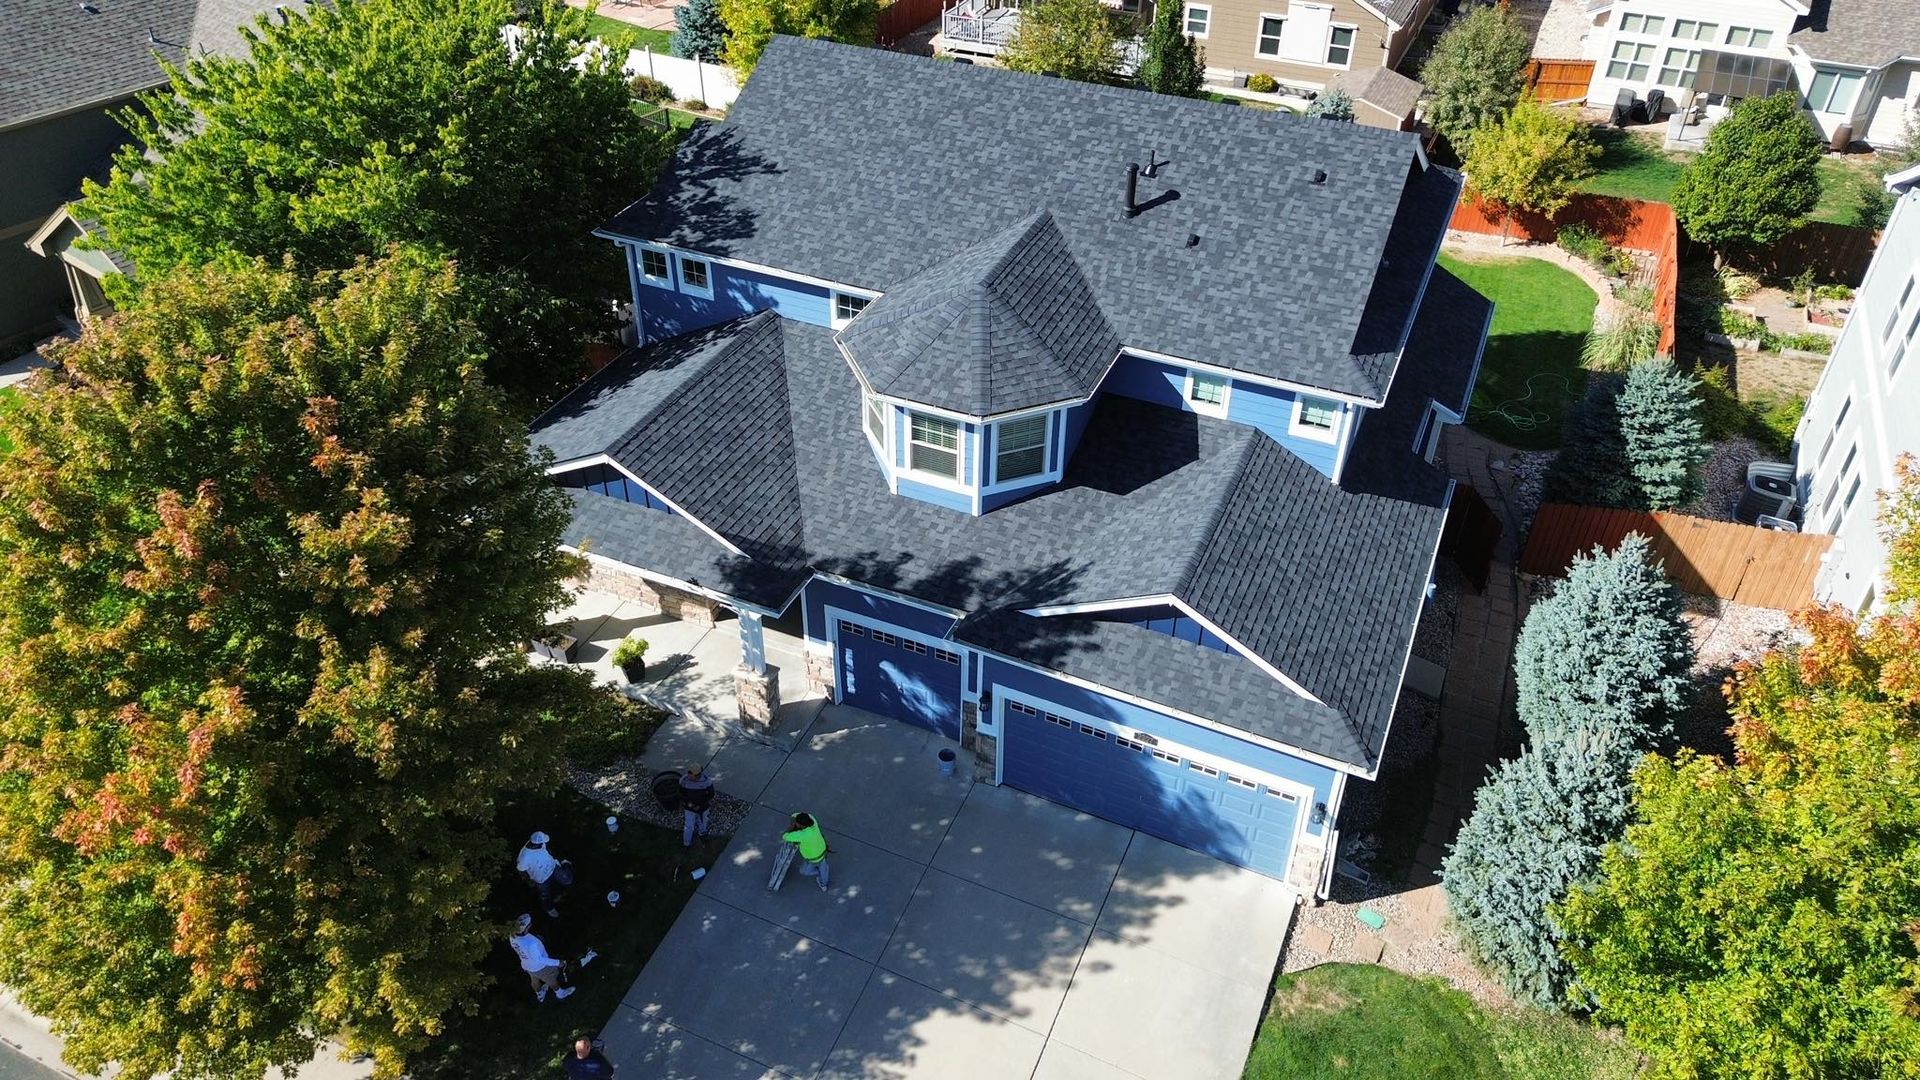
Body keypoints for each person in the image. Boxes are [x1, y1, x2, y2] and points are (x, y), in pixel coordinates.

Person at [509, 915, 574, 1002]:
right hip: (540, 967)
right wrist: (558, 962)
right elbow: (540, 959)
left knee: (534, 980)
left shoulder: (512, 936)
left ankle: (540, 994)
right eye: (529, 924)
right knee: (551, 979)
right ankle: (560, 994)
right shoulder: (531, 943)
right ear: (527, 927)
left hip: (526, 965)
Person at [517, 831, 571, 918]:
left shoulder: (540, 844)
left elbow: (547, 850)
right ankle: (549, 908)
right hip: (540, 878)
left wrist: (554, 858)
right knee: (544, 896)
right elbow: (521, 870)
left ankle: (565, 863)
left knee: (567, 880)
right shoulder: (524, 857)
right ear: (536, 844)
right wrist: (528, 881)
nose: (544, 843)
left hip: (552, 867)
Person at [782, 812, 830, 891]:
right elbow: (808, 815)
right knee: (823, 867)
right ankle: (823, 882)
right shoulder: (814, 823)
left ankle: (822, 872)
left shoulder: (802, 835)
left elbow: (785, 836)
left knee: (804, 871)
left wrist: (791, 826)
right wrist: (795, 817)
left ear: (800, 825)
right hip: (822, 852)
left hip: (813, 859)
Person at [679, 765, 716, 848]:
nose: (688, 775)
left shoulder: (707, 781)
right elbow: (681, 794)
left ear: (697, 775)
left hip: (703, 807)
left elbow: (711, 794)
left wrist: (701, 805)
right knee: (688, 826)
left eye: (691, 774)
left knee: (703, 822)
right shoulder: (684, 781)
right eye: (688, 773)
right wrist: (690, 804)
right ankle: (686, 844)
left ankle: (702, 834)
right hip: (689, 808)